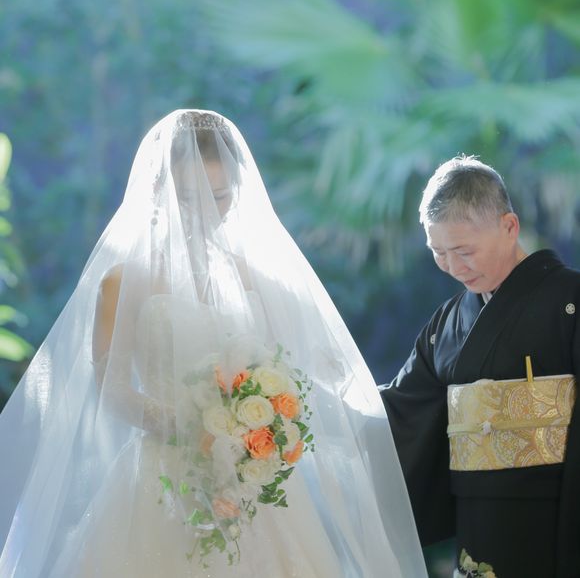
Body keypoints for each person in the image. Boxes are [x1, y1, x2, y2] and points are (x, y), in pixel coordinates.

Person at [0, 109, 427, 577]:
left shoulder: (255, 278)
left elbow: (296, 367)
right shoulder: (123, 282)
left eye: (219, 196)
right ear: (159, 191)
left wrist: (268, 422)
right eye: (189, 197)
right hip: (163, 478)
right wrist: (190, 427)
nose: (205, 209)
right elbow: (113, 388)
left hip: (249, 478)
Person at [380, 155, 580, 578]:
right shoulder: (446, 324)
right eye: (439, 253)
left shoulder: (571, 303)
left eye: (464, 251)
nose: (454, 268)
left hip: (556, 523)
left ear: (509, 227)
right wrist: (314, 404)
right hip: (476, 522)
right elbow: (400, 409)